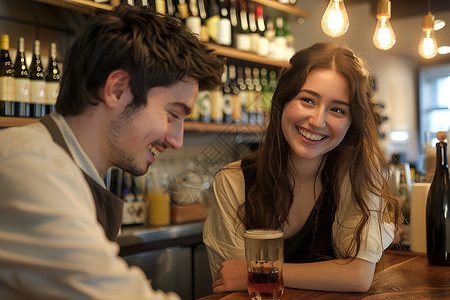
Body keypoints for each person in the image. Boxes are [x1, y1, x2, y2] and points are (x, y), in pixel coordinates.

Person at [0, 5, 223, 299]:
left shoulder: (72, 167)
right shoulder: (30, 167)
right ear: (117, 89)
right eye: (172, 115)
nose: (176, 140)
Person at [203, 42, 401, 293]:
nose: (318, 121)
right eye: (308, 100)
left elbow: (359, 275)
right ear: (283, 101)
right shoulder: (234, 180)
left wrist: (263, 272)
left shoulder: (356, 175)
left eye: (337, 110)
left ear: (351, 122)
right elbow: (234, 281)